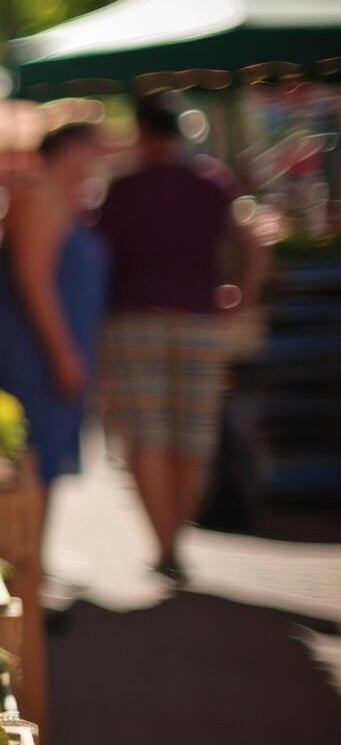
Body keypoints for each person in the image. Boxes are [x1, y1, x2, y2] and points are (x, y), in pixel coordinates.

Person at [97, 96, 267, 578]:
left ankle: (165, 543)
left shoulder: (124, 189)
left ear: (144, 134)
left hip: (134, 323)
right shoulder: (211, 183)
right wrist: (244, 299)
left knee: (145, 436)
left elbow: (99, 257)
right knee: (193, 435)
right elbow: (254, 246)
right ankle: (175, 541)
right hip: (201, 323)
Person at [0, 122, 109, 501]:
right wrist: (62, 353)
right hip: (31, 349)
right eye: (94, 149)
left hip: (47, 347)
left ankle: (33, 557)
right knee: (29, 456)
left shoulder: (60, 200)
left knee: (43, 460)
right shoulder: (39, 197)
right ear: (71, 150)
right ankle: (26, 557)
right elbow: (33, 280)